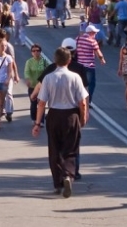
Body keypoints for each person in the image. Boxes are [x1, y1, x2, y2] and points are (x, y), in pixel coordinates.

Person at [32, 47, 89, 198]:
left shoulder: (48, 78)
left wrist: (37, 123)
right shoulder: (75, 77)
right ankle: (68, 176)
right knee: (71, 149)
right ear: (69, 60)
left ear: (55, 60)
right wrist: (83, 118)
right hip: (71, 115)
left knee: (55, 149)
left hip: (54, 115)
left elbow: (42, 103)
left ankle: (57, 183)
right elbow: (82, 101)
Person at [75, 25, 106, 104]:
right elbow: (98, 53)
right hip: (89, 66)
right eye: (95, 32)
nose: (95, 34)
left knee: (80, 84)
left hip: (79, 66)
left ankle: (78, 100)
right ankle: (88, 101)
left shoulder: (78, 38)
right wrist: (102, 59)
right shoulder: (92, 41)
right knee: (90, 84)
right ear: (91, 32)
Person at [24, 43, 48, 125]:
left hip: (42, 86)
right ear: (31, 52)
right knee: (33, 103)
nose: (35, 52)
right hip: (32, 86)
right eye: (33, 51)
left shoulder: (44, 61)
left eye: (37, 50)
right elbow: (26, 72)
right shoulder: (29, 62)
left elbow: (49, 71)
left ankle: (41, 121)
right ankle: (34, 118)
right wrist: (27, 79)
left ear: (40, 52)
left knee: (41, 103)